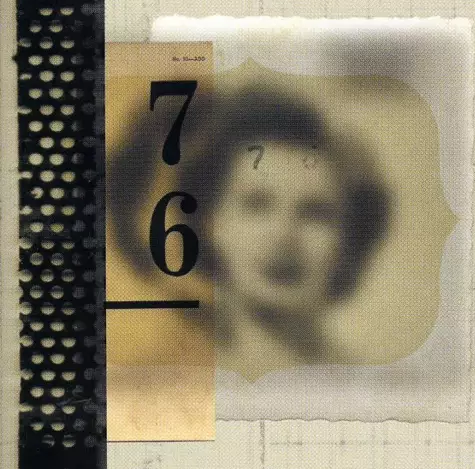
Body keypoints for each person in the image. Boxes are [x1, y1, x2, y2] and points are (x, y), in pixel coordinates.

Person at [108, 86, 390, 377]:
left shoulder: (378, 387)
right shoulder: (162, 383)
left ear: (350, 239)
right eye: (257, 205)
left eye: (315, 213)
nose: (283, 236)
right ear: (210, 223)